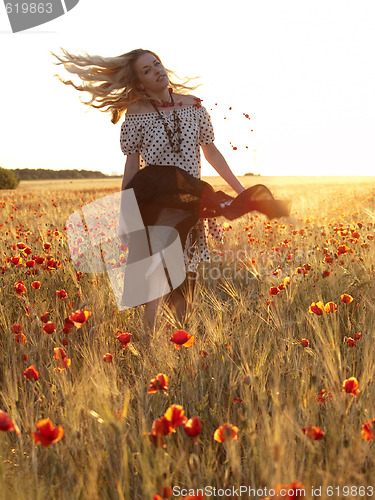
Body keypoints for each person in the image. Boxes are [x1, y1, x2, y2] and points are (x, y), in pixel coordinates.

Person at [53, 48, 290, 330]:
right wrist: (126, 212)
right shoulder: (136, 113)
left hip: (188, 202)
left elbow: (212, 153)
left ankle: (178, 346)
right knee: (157, 280)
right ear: (139, 83)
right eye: (147, 70)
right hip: (155, 203)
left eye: (157, 64)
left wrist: (240, 190)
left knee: (185, 283)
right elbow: (132, 167)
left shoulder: (194, 106)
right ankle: (150, 349)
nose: (157, 70)